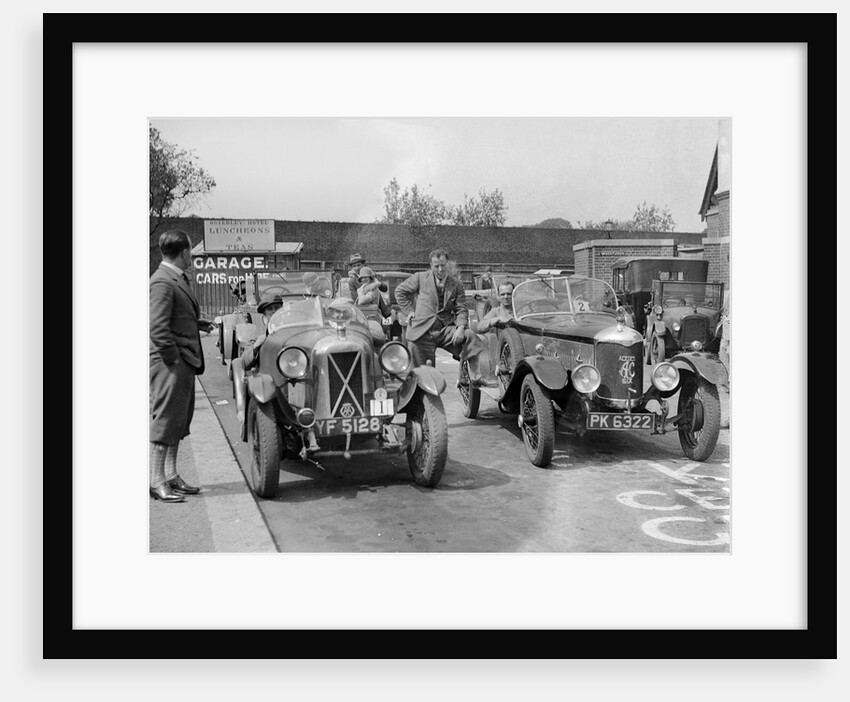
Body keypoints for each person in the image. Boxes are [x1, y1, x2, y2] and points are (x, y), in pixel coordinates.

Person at [149, 229, 205, 503]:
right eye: (190, 251)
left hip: (183, 361)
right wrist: (174, 361)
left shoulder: (174, 278)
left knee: (179, 422)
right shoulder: (162, 281)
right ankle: (156, 481)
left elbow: (175, 318)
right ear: (184, 252)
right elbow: (157, 329)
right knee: (166, 421)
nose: (191, 255)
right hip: (171, 363)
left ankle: (170, 476)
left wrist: (200, 324)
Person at [394, 248, 485, 374]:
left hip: (444, 331)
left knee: (470, 337)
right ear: (431, 265)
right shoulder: (420, 278)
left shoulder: (456, 284)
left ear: (448, 263)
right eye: (437, 266)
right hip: (422, 331)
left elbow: (461, 308)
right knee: (421, 373)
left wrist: (460, 328)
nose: (440, 269)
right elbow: (400, 292)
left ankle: (476, 375)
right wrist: (409, 311)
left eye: (443, 265)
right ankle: (422, 389)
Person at [241, 292, 283, 370]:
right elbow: (244, 363)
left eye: (277, 307)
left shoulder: (290, 328)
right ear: (264, 314)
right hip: (269, 372)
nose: (274, 311)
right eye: (270, 309)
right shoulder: (259, 333)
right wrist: (255, 346)